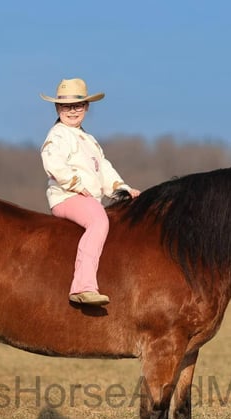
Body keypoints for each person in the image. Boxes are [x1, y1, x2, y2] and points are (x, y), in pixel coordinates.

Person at [40, 78, 140, 306]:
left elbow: (104, 169)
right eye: (66, 106)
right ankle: (82, 287)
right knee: (98, 221)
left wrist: (122, 189)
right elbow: (52, 162)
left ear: (86, 107)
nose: (72, 111)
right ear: (57, 108)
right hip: (67, 196)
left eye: (77, 106)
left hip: (88, 199)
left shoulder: (90, 141)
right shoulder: (58, 135)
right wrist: (74, 183)